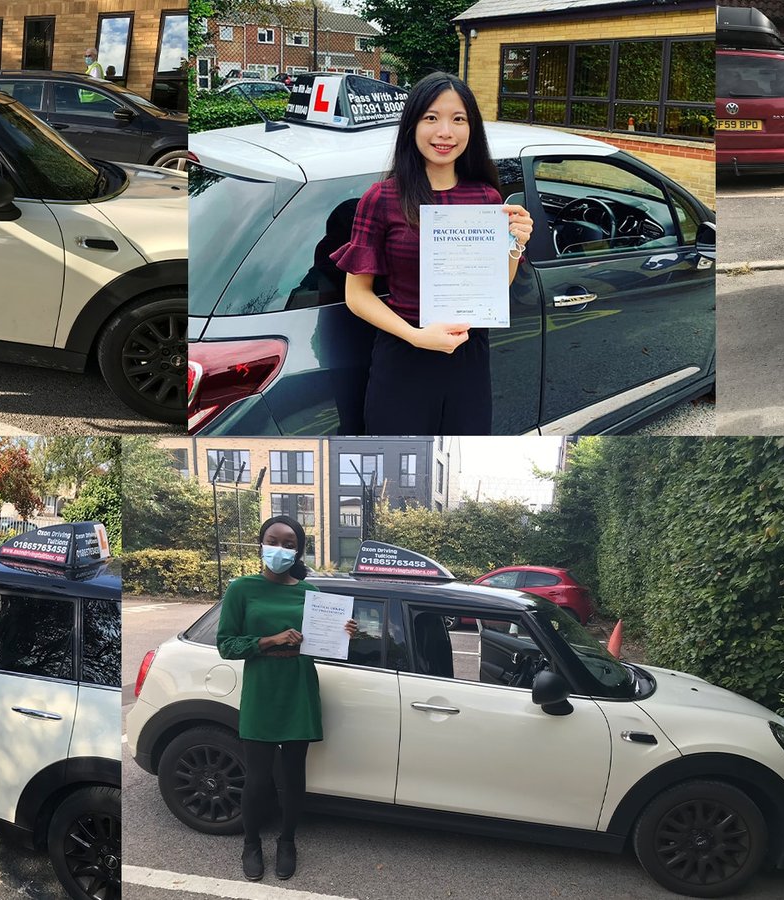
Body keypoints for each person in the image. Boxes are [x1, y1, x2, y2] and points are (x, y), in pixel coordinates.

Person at [329, 71, 533, 434]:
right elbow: (357, 295)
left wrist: (515, 245)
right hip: (404, 353)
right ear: (412, 126)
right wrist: (416, 336)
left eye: (458, 119)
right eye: (431, 118)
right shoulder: (382, 198)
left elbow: (493, 285)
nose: (445, 133)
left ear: (472, 129)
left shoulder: (487, 198)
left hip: (468, 355)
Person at [216, 516, 356, 882]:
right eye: (273, 540)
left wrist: (344, 634)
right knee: (258, 778)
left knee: (293, 777)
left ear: (298, 550)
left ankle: (288, 841)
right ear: (261, 544)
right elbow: (226, 645)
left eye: (289, 543)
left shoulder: (311, 595)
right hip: (263, 689)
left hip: (299, 689)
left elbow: (323, 646)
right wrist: (270, 640)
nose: (280, 548)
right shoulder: (241, 590)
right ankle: (250, 844)